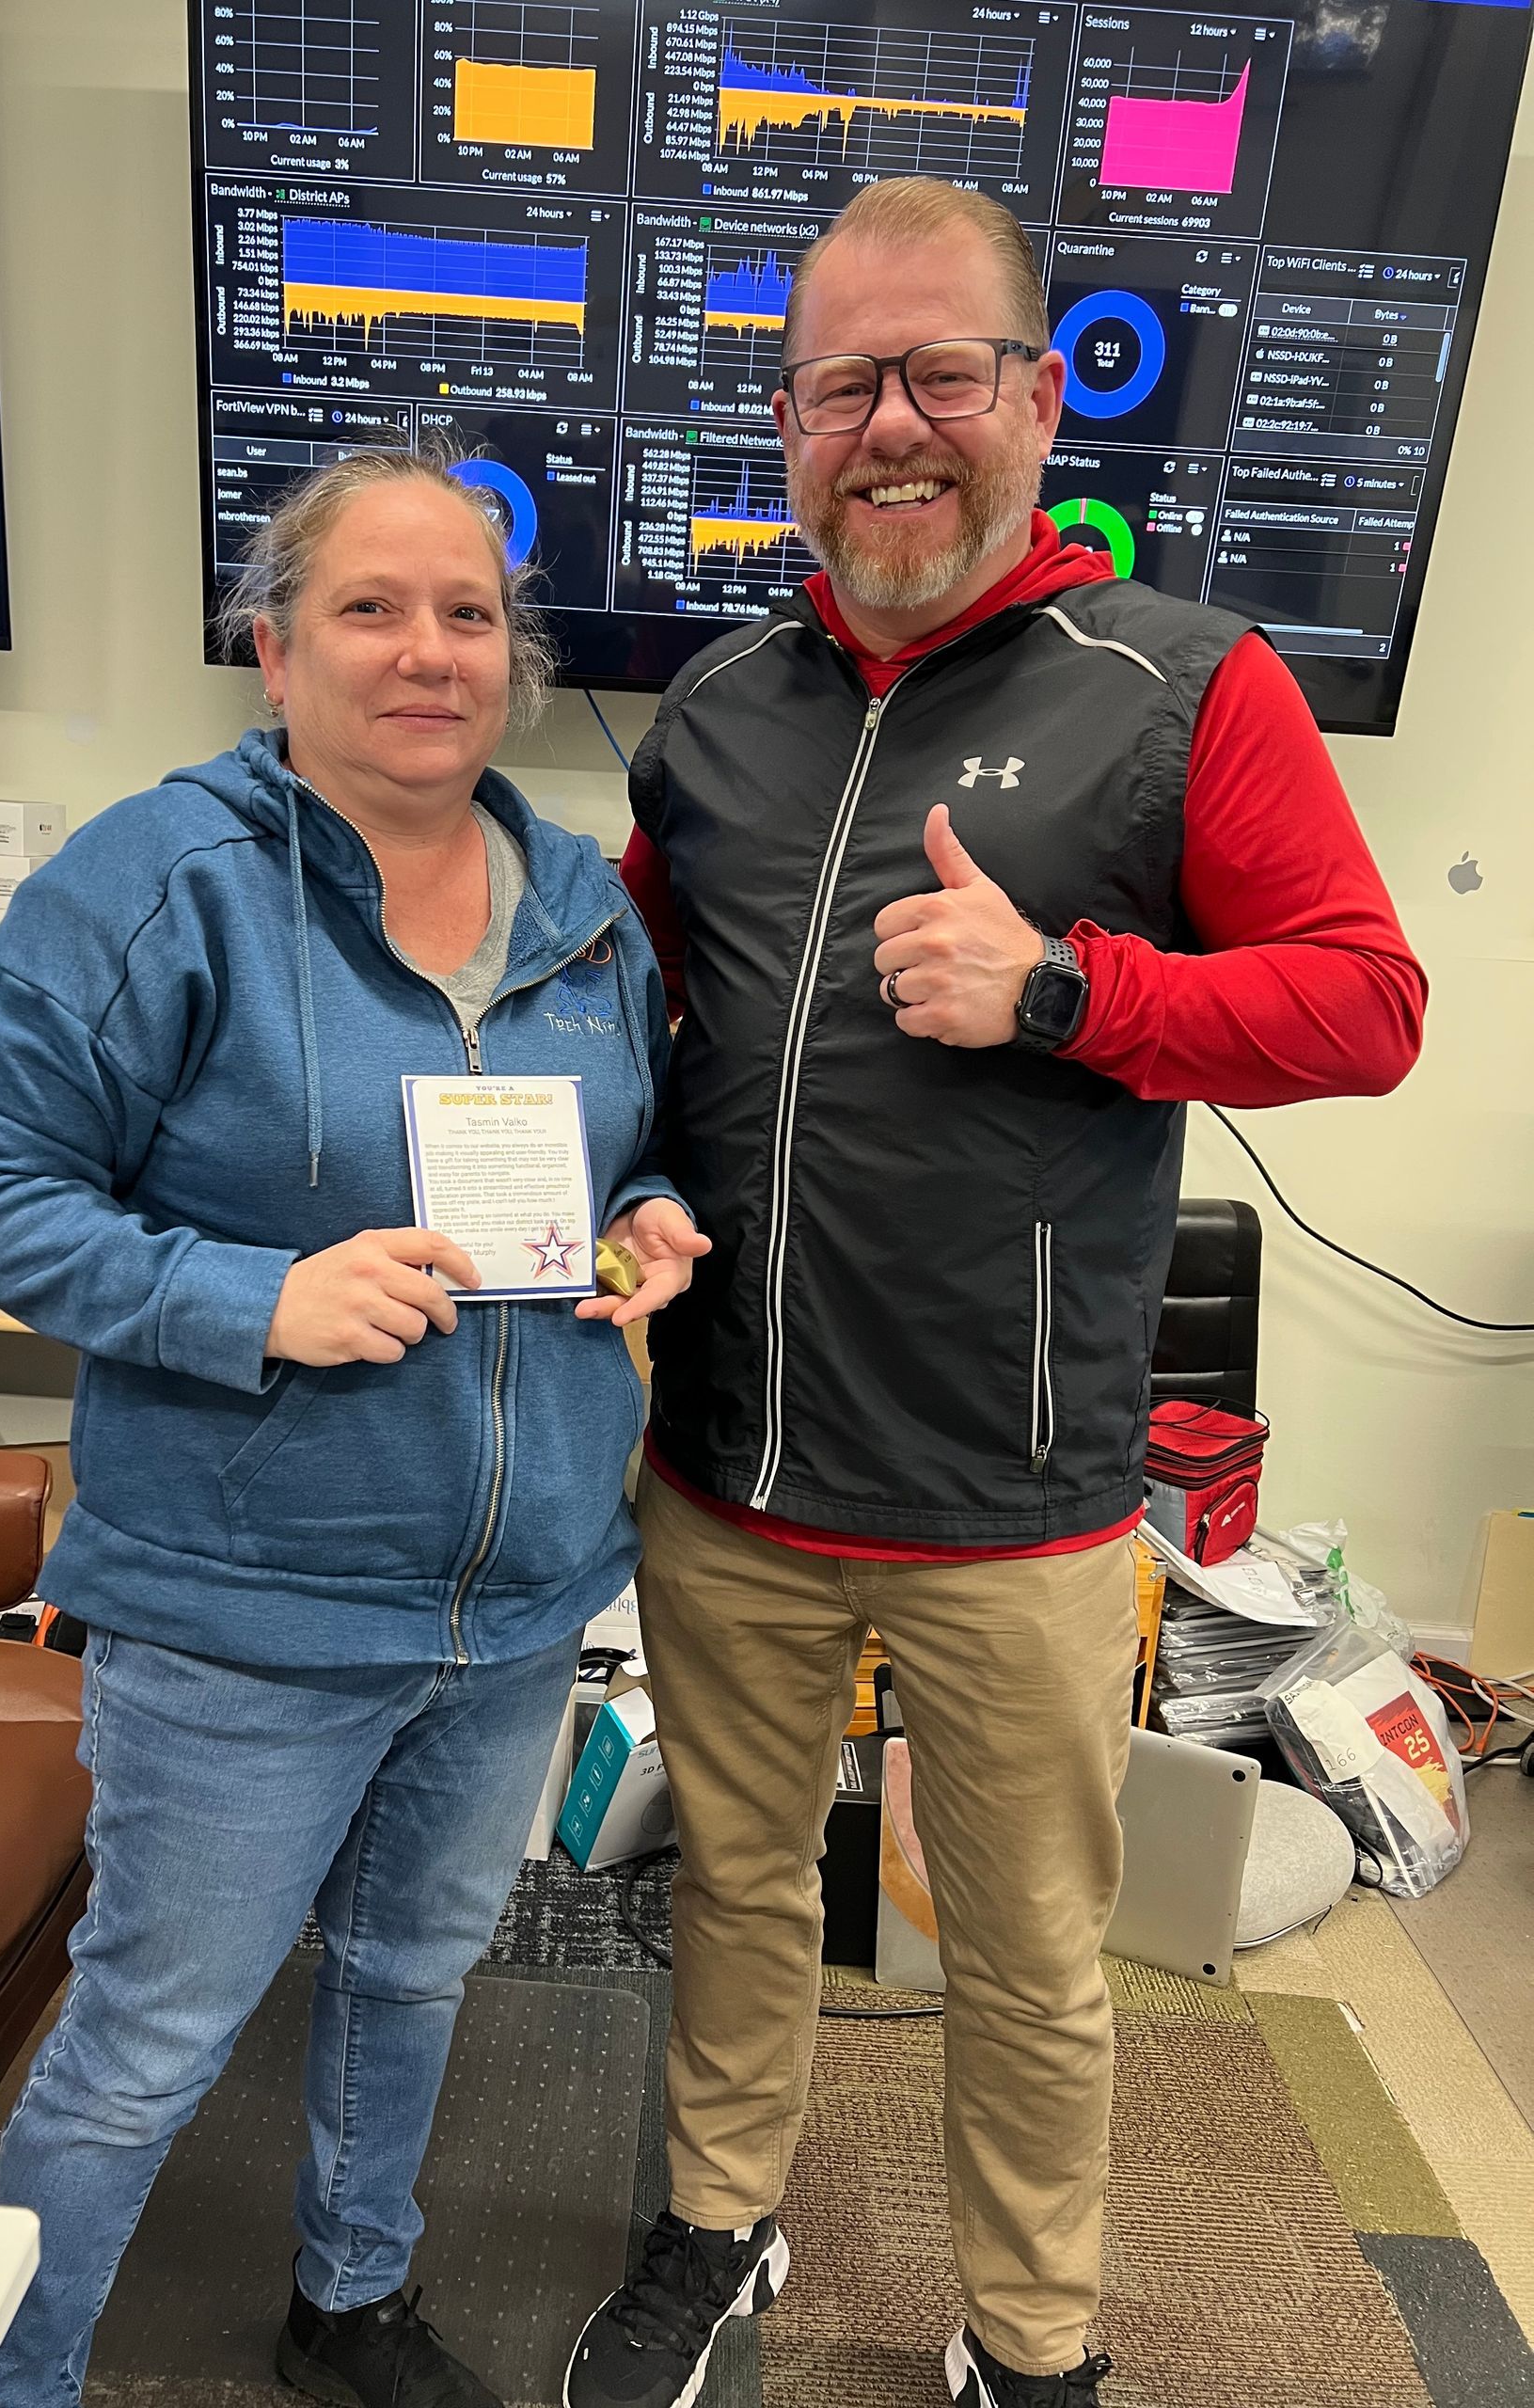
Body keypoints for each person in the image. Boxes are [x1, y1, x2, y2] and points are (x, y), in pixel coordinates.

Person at [562, 179, 1425, 2408]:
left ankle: (1031, 2338)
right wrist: (642, 1192)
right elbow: (652, 1037)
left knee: (1034, 1953)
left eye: (945, 372)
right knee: (741, 1887)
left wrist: (1060, 990)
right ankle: (718, 2219)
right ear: (786, 426)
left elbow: (1365, 1004)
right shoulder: (720, 710)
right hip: (729, 1460)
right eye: (844, 382)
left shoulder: (1190, 685)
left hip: (1015, 1488)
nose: (895, 426)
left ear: (1041, 401)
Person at [0, 443, 706, 2408]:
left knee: (415, 1974)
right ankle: (18, 2374)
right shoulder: (155, 880)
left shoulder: (588, 912)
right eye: (370, 608)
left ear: (512, 657)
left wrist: (654, 1217)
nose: (425, 651)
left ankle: (349, 2294)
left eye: (466, 613)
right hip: (241, 1606)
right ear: (273, 649)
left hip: (513, 1600)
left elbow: (647, 1145)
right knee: (155, 2037)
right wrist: (251, 1295)